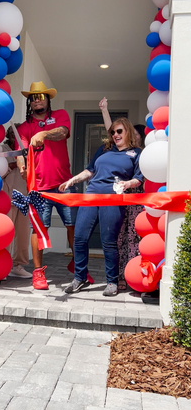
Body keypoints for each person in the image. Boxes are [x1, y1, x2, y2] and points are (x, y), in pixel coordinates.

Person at [60, 117, 143, 296]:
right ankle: (80, 278)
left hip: (113, 199)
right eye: (113, 132)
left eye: (119, 131)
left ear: (127, 131)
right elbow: (89, 171)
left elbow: (139, 179)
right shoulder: (104, 150)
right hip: (91, 195)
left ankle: (112, 282)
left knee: (108, 242)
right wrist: (72, 180)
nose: (115, 135)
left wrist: (128, 184)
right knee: (79, 238)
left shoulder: (136, 153)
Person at [16, 81, 77, 290]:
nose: (36, 101)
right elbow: (21, 152)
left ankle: (79, 268)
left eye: (40, 97)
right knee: (39, 229)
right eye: (33, 98)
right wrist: (22, 166)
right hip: (38, 187)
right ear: (29, 104)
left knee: (73, 226)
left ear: (48, 99)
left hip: (64, 184)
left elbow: (62, 132)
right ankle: (38, 273)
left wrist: (43, 134)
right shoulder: (24, 127)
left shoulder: (60, 115)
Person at [99, 98, 145, 290]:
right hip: (118, 201)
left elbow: (139, 178)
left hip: (135, 204)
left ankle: (133, 277)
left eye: (133, 133)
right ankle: (119, 277)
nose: (120, 135)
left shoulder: (140, 154)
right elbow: (113, 131)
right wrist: (104, 110)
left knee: (133, 241)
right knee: (118, 240)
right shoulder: (120, 151)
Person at [2, 125, 32, 278]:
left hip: (24, 196)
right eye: (16, 134)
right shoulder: (4, 148)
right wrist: (16, 161)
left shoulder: (28, 150)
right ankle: (2, 265)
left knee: (23, 234)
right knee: (6, 233)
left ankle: (18, 266)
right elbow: (0, 170)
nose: (19, 137)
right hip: (8, 196)